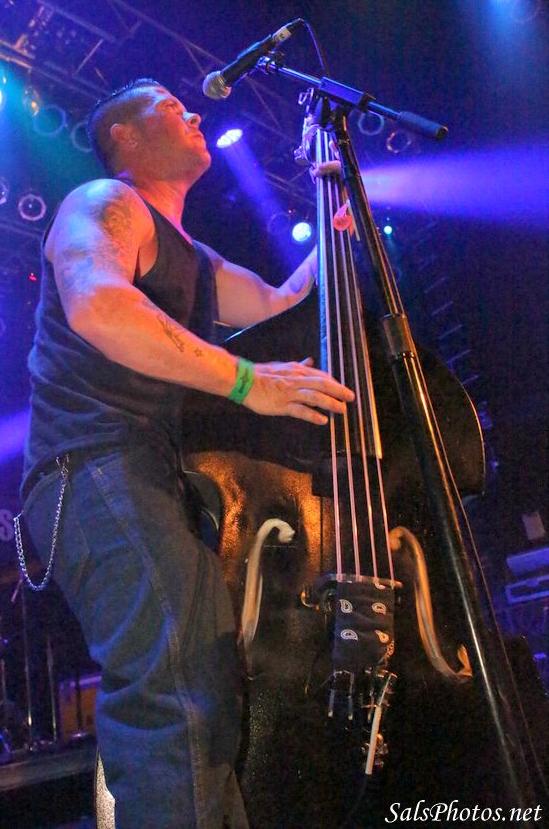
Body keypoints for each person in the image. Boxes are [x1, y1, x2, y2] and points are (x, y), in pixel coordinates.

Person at [18, 77, 353, 829]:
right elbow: (100, 305)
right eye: (171, 106)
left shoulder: (195, 259)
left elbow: (279, 302)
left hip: (141, 472)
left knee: (201, 682)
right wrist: (247, 381)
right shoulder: (104, 203)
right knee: (177, 688)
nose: (194, 112)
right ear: (125, 137)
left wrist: (334, 235)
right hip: (92, 461)